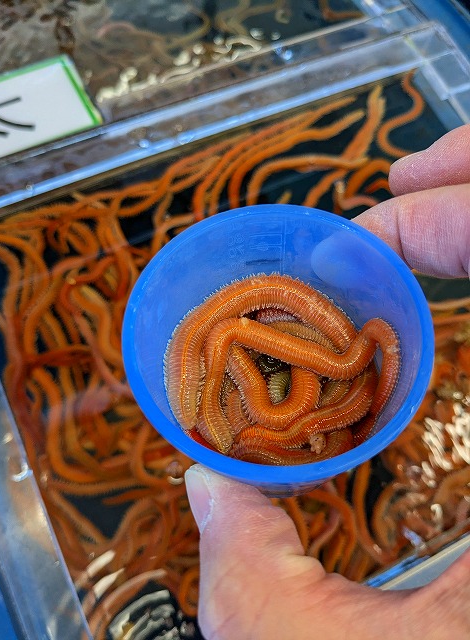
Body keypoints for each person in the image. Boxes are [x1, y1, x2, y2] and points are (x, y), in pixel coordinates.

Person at [184, 123, 470, 640]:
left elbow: (363, 349)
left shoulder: (328, 386)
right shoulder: (233, 378)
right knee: (241, 348)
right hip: (282, 383)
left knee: (290, 364)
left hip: (309, 385)